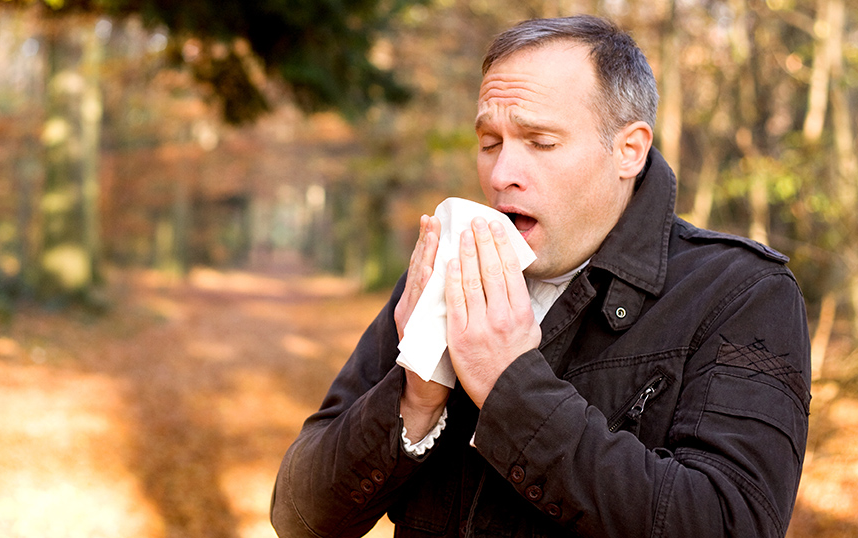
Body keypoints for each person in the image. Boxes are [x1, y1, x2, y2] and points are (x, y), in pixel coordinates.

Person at [271, 14, 811, 538]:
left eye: (541, 142)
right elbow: (301, 517)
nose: (502, 174)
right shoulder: (452, 273)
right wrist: (416, 395)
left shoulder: (743, 293)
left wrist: (511, 387)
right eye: (490, 143)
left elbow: (730, 522)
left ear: (629, 150)